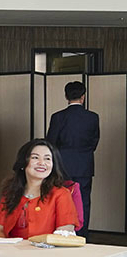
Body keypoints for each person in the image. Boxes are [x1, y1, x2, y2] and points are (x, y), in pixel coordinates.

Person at [0, 139, 79, 239]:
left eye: (47, 159)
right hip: (13, 251)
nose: (42, 163)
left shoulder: (61, 194)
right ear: (23, 163)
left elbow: (64, 233)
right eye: (35, 157)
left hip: (47, 252)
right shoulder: (10, 192)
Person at [46, 81, 99, 236]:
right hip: (84, 165)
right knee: (83, 201)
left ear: (66, 96)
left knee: (59, 199)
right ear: (83, 97)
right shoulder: (92, 117)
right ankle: (82, 235)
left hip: (61, 166)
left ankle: (61, 233)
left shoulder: (58, 117)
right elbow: (94, 142)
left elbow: (51, 143)